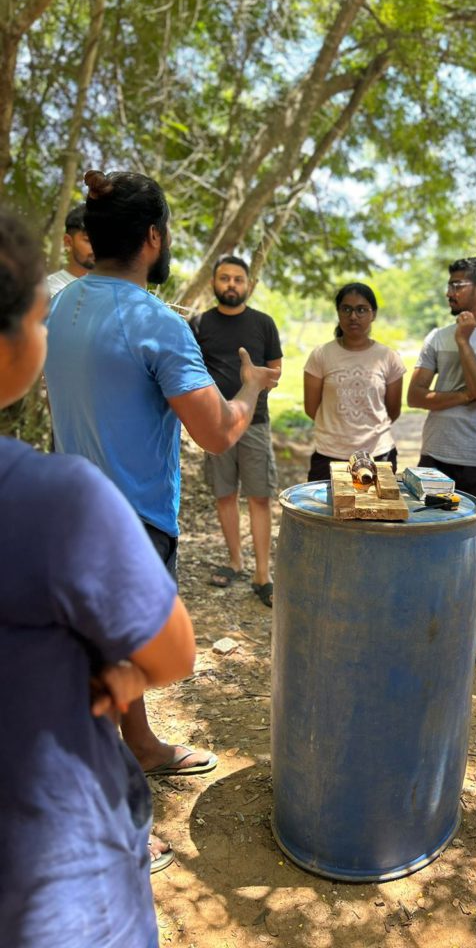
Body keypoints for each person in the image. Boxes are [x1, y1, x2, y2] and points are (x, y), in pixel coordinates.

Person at [0, 206, 197, 947]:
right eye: (39, 318)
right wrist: (123, 678)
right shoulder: (57, 504)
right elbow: (172, 654)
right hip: (53, 885)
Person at [45, 170, 279, 779]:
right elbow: (217, 432)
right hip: (130, 522)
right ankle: (109, 818)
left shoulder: (64, 301)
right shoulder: (155, 322)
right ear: (153, 236)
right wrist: (250, 390)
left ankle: (142, 743)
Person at [407, 256, 476, 664]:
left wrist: (463, 344)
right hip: (436, 452)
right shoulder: (436, 336)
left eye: (458, 284)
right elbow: (416, 396)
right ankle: (432, 618)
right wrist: (462, 396)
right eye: (450, 284)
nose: (449, 292)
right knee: (428, 534)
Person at [189, 254, 282, 607]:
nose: (231, 284)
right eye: (224, 278)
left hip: (255, 423)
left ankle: (262, 573)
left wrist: (255, 384)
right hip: (214, 425)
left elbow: (275, 372)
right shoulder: (199, 324)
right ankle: (234, 561)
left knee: (260, 496)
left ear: (248, 285)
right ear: (214, 283)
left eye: (238, 279)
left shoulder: (263, 323)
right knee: (224, 493)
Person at [304, 282, 406, 480]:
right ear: (338, 312)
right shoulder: (321, 355)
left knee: (377, 511)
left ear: (373, 314)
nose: (353, 316)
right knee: (327, 511)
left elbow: (393, 410)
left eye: (361, 310)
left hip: (378, 454)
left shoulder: (388, 357)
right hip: (329, 455)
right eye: (347, 309)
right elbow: (311, 408)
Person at [46, 203, 94, 296]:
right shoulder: (51, 290)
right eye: (88, 240)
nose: (97, 247)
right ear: (68, 242)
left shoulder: (115, 288)